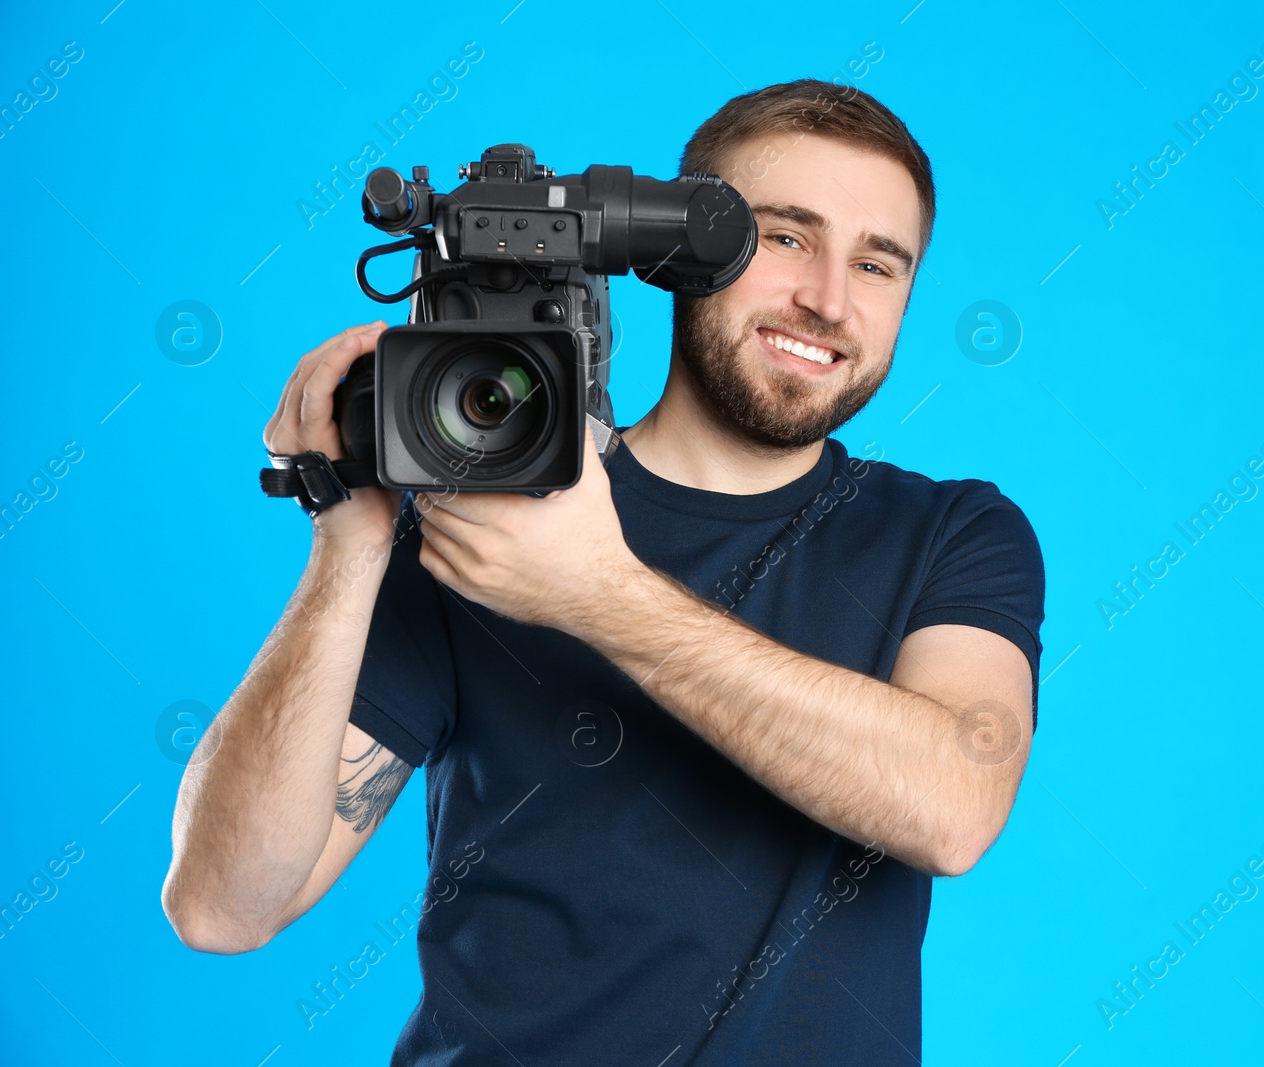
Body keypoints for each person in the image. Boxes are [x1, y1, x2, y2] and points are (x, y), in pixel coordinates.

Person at [163, 78, 1046, 1065]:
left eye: (878, 263)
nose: (829, 299)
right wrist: (349, 537)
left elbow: (952, 806)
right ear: (680, 251)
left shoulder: (951, 529)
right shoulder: (480, 527)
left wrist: (596, 592)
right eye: (786, 237)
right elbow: (222, 904)